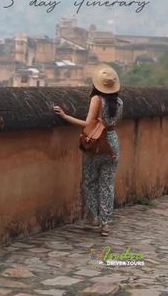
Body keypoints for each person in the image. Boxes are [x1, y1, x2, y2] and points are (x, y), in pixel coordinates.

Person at [54, 63, 123, 236]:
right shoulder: (119, 102)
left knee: (90, 181)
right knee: (107, 184)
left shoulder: (97, 99)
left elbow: (87, 123)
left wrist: (65, 116)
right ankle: (106, 223)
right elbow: (112, 123)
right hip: (113, 143)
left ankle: (93, 216)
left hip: (97, 144)